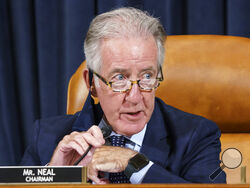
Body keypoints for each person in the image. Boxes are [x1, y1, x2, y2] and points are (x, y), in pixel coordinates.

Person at [21, 7, 226, 184]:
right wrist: (56, 176)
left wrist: (135, 164)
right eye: (119, 78)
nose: (135, 97)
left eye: (147, 76)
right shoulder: (48, 138)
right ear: (91, 84)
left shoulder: (196, 137)